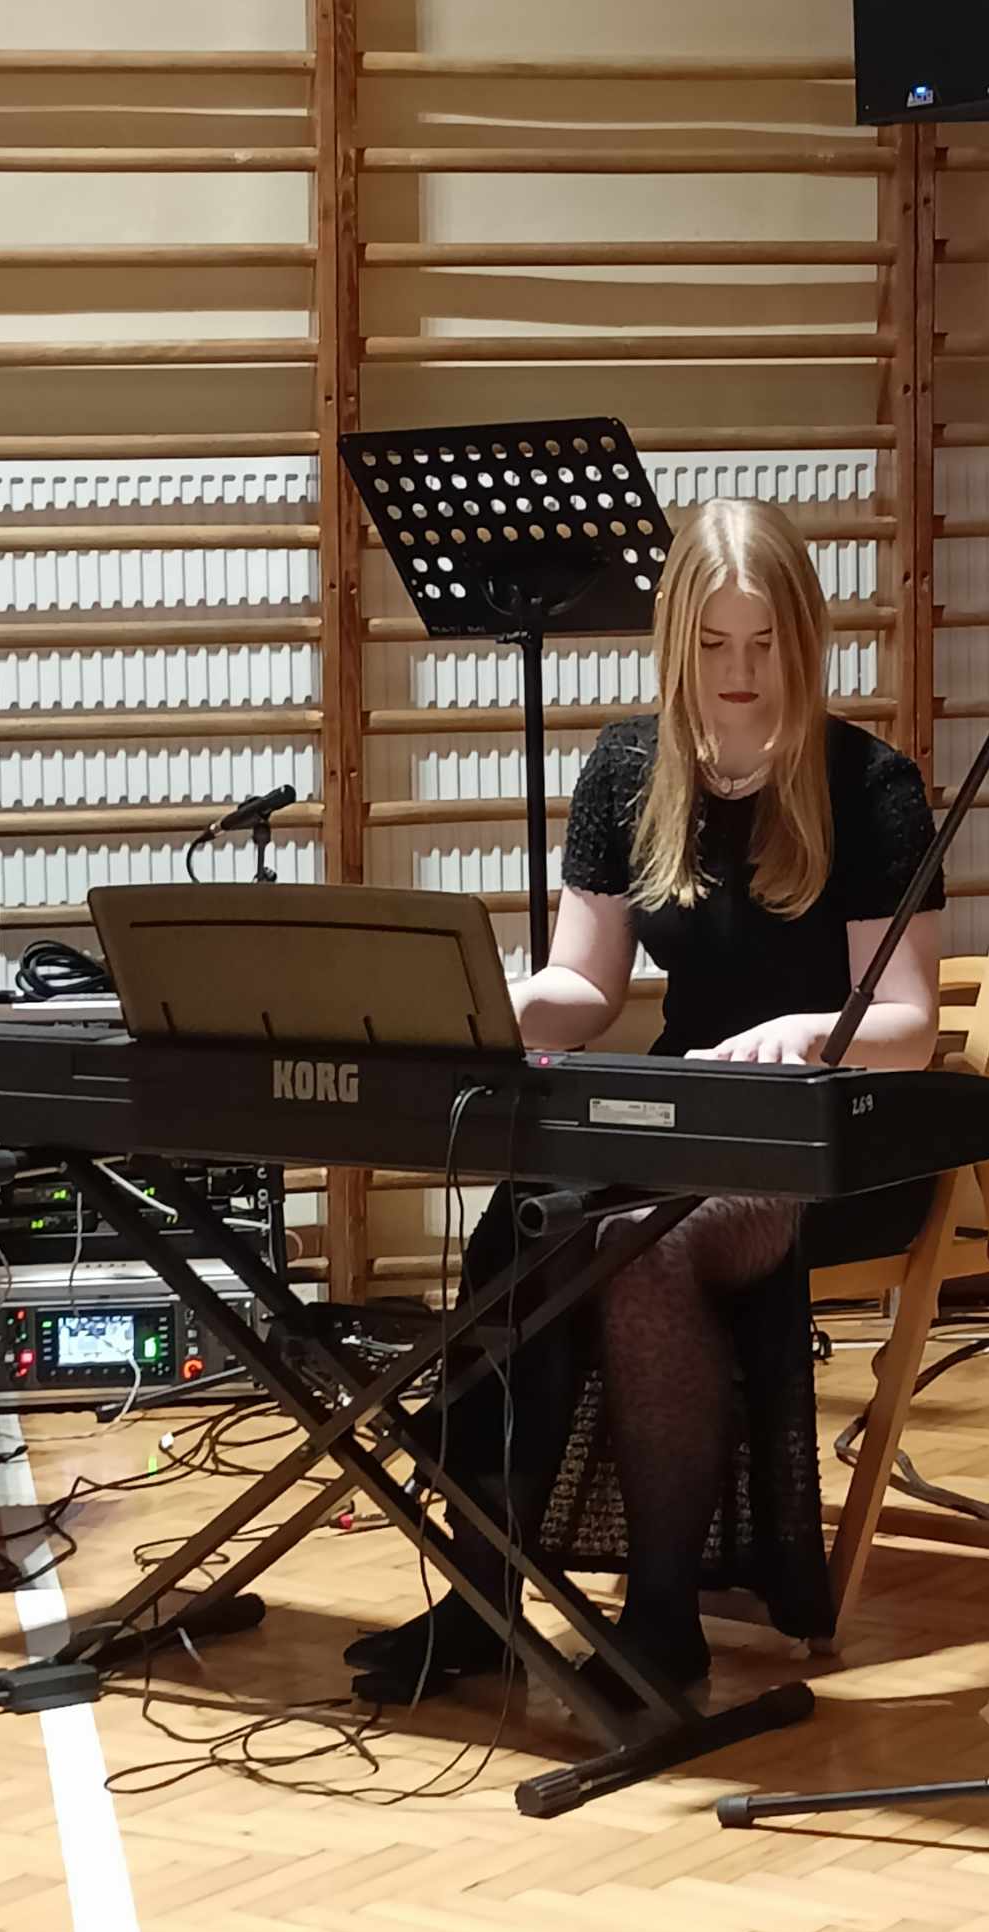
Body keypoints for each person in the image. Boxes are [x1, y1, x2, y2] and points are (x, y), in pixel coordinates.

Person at [347, 497, 945, 1705]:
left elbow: (912, 1024)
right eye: (714, 644)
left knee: (649, 1247)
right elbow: (585, 985)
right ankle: (480, 1594)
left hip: (828, 1139)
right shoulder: (628, 767)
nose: (740, 671)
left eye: (764, 643)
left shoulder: (871, 784)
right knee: (525, 1223)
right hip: (684, 1110)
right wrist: (491, 1003)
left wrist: (807, 1031)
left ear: (803, 638)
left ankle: (663, 1618)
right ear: (677, 641)